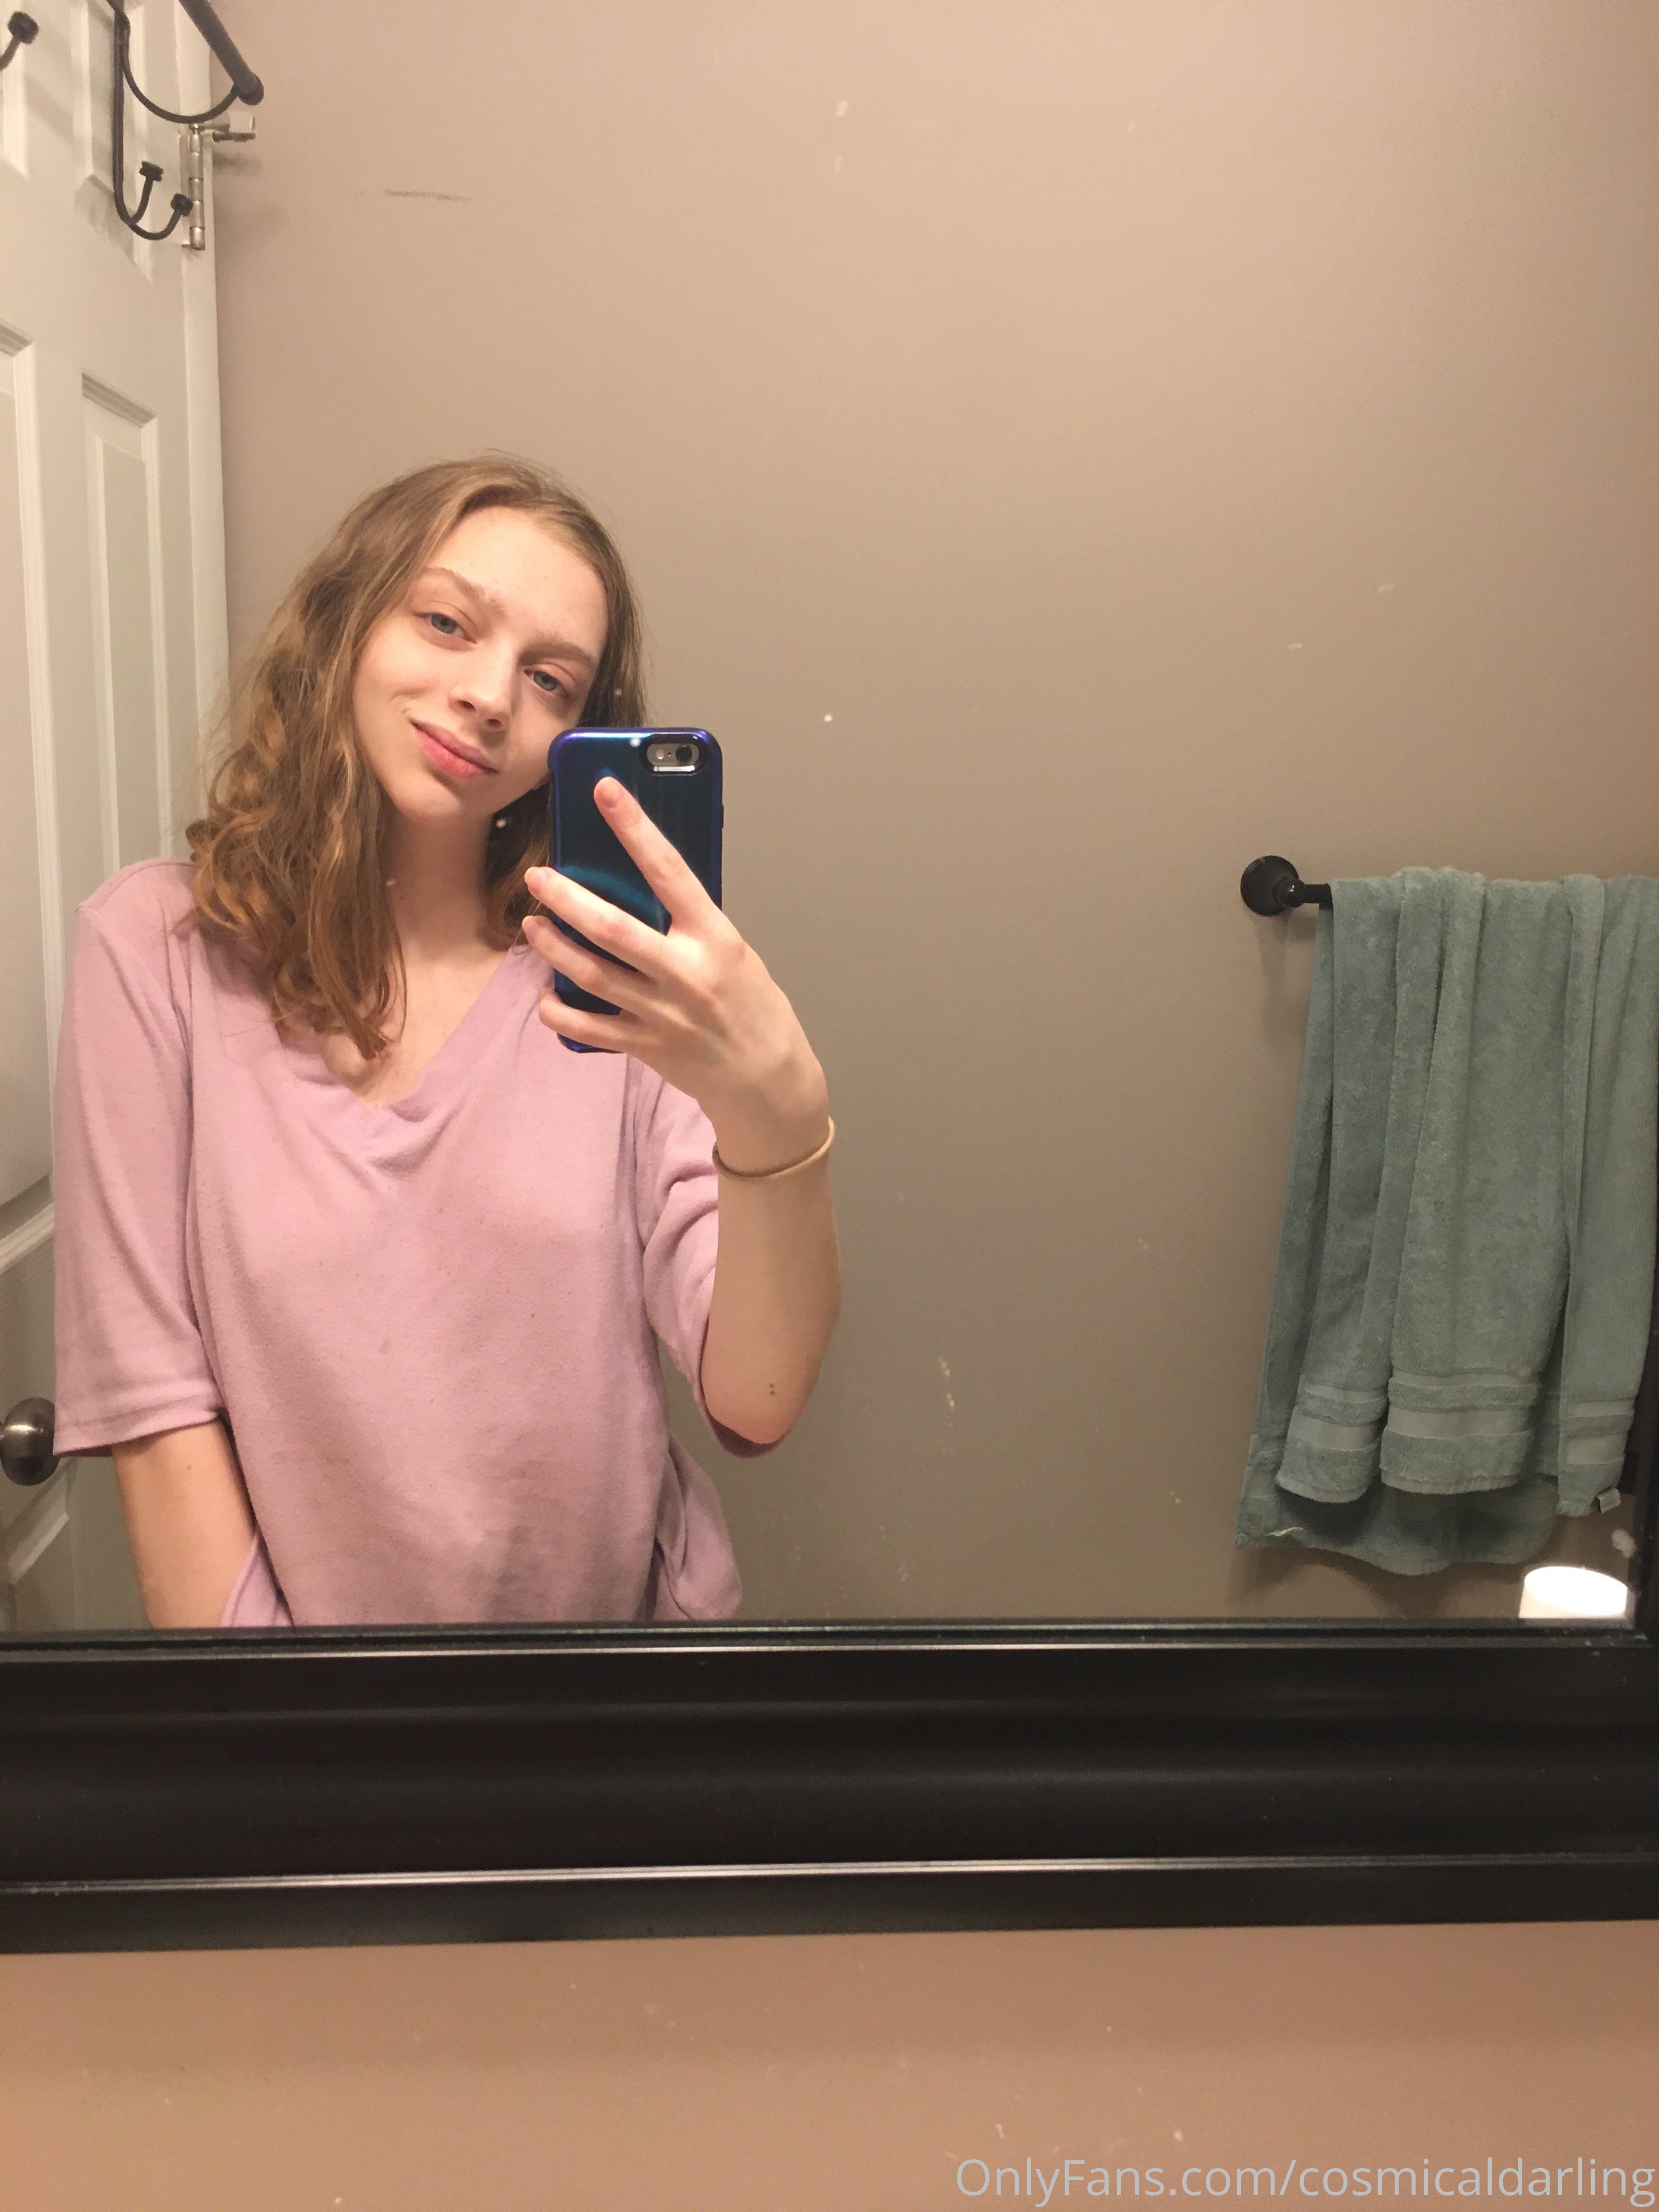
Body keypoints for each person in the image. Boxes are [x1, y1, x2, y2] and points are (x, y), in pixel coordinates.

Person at [50, 455, 839, 1628]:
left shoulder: (618, 978)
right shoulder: (156, 951)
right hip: (294, 1715)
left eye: (550, 679)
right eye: (447, 623)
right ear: (346, 622)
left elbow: (757, 1395)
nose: (489, 695)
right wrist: (284, 1729)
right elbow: (154, 1410)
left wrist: (781, 1116)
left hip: (625, 1689)